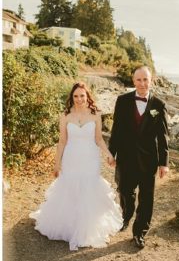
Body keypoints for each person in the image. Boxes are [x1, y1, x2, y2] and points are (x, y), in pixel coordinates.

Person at [30, 82, 123, 251]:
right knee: (70, 187)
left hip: (90, 158)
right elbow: (62, 141)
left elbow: (99, 139)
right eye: (76, 96)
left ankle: (87, 229)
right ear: (71, 98)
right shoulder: (65, 115)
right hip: (71, 158)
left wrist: (108, 154)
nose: (79, 99)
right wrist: (57, 163)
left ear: (87, 96)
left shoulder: (96, 114)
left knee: (89, 188)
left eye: (82, 95)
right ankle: (68, 226)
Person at [108, 66, 170, 249]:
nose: (142, 84)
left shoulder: (159, 106)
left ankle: (140, 232)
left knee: (147, 198)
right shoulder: (122, 101)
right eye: (139, 80)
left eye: (146, 80)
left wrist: (163, 163)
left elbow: (163, 136)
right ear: (133, 81)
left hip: (149, 159)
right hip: (126, 158)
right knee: (125, 192)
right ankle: (127, 214)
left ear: (152, 80)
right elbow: (116, 129)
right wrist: (112, 153)